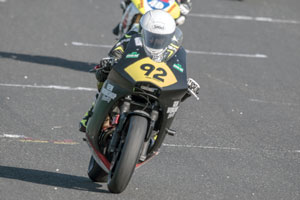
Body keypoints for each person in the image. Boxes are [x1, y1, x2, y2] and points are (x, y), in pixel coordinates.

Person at [79, 9, 196, 132]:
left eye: (160, 39)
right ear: (143, 31)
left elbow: (178, 63)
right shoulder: (133, 34)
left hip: (158, 80)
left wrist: (183, 81)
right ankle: (94, 111)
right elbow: (117, 49)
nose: (155, 41)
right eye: (151, 37)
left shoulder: (174, 44)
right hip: (133, 74)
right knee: (105, 71)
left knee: (177, 93)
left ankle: (160, 129)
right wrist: (112, 60)